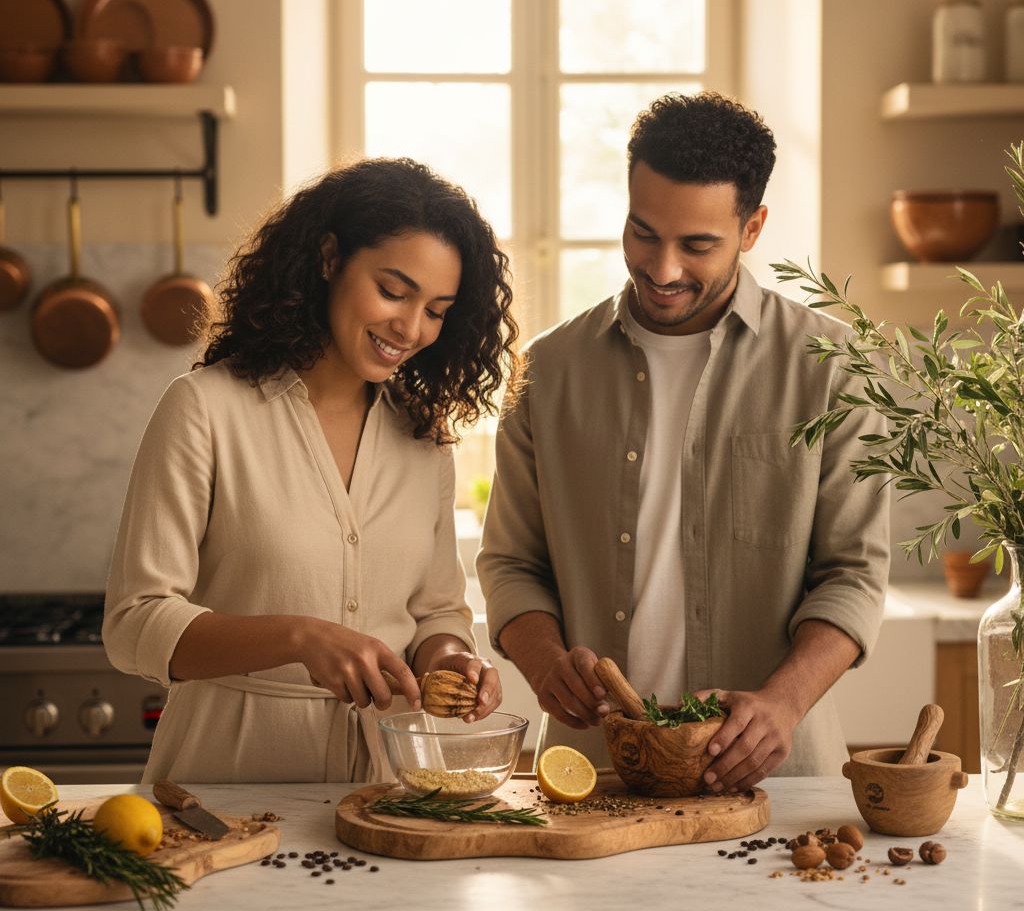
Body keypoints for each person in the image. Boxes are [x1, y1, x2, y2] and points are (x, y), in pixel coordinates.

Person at [478, 91, 889, 790]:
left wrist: (782, 704)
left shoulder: (834, 368)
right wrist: (545, 661)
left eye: (697, 245)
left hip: (771, 780)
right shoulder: (549, 370)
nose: (662, 269)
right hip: (594, 775)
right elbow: (512, 563)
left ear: (752, 228)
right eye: (643, 233)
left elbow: (852, 576)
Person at [104, 157, 520, 783]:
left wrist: (450, 657)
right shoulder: (204, 410)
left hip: (390, 788)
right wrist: (299, 638)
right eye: (393, 291)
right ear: (329, 258)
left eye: (436, 309)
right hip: (227, 781)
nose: (410, 328)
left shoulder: (424, 436)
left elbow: (436, 611)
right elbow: (134, 623)